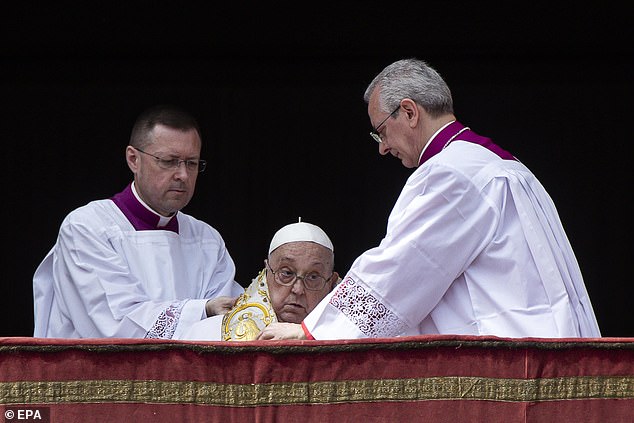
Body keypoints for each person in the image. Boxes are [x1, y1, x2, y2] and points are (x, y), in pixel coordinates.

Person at [258, 58, 601, 341]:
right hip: (552, 340)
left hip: (508, 354)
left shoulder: (450, 173)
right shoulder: (504, 166)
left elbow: (402, 267)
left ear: (408, 112)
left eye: (380, 130)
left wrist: (313, 331)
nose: (382, 147)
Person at [32, 104, 243, 339]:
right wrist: (201, 310)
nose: (182, 175)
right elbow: (115, 325)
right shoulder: (87, 228)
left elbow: (227, 324)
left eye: (191, 163)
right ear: (133, 159)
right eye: (169, 161)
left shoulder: (207, 240)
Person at [183, 220, 338, 341]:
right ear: (266, 273)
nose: (297, 289)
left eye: (313, 277)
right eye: (287, 273)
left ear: (331, 283)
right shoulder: (206, 335)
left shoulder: (346, 341)